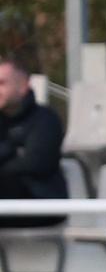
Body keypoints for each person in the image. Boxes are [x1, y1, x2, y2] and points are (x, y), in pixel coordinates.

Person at [0, 58, 66, 223]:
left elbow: (37, 163)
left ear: (23, 86)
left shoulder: (45, 119)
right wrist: (13, 150)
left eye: (2, 83)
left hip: (40, 204)